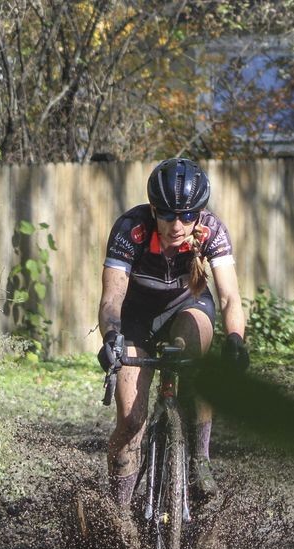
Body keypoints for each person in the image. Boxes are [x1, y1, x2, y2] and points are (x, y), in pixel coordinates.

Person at [96, 158, 249, 507]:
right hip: (135, 317)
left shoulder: (211, 229)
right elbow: (112, 296)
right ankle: (118, 514)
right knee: (131, 420)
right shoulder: (130, 229)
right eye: (166, 215)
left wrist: (237, 340)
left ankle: (199, 460)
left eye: (186, 215)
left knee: (196, 360)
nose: (177, 225)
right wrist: (111, 336)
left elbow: (228, 296)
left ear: (200, 212)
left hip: (187, 307)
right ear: (153, 209)